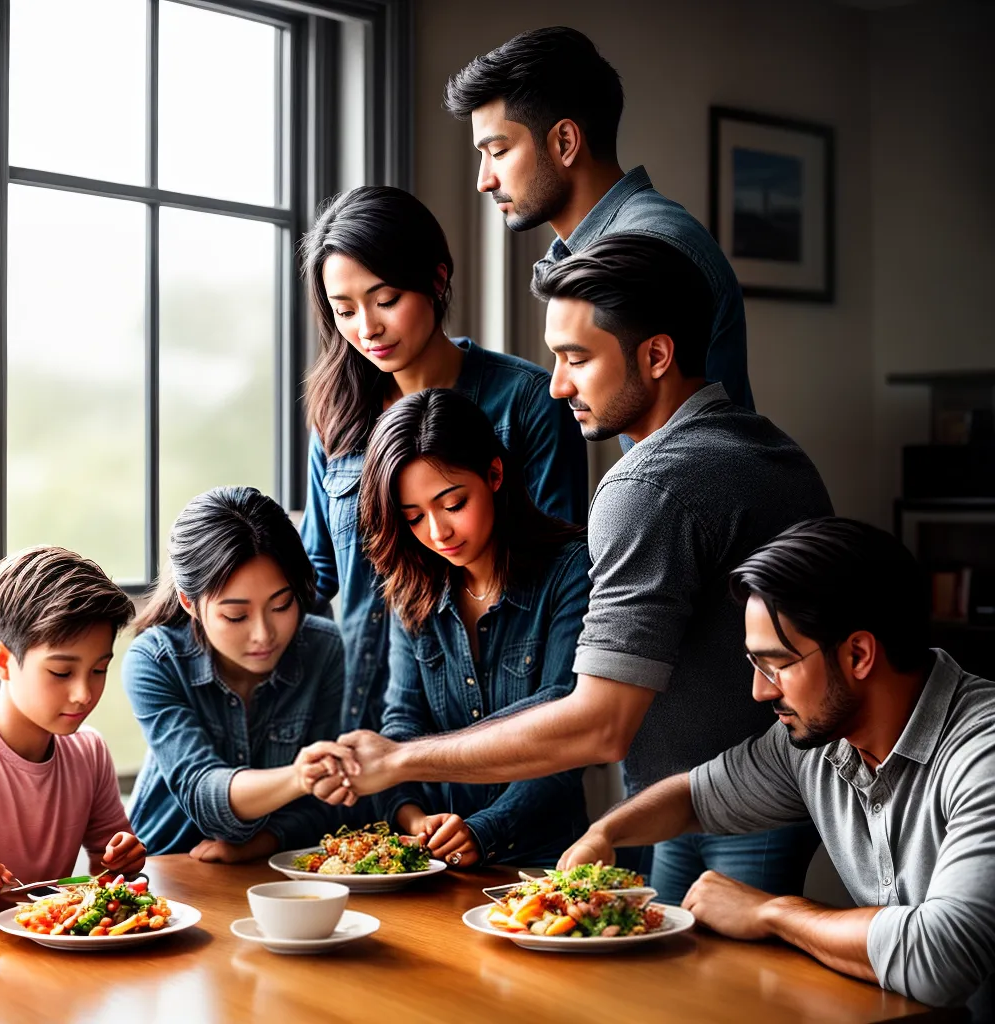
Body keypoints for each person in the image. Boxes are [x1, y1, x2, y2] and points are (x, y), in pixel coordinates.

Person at [313, 234, 832, 904]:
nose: (557, 386)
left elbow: (594, 719)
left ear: (656, 354)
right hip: (694, 797)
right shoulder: (767, 444)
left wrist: (399, 760)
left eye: (576, 358)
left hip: (745, 799)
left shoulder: (645, 486)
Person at [559, 518, 995, 1016]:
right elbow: (694, 798)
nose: (761, 690)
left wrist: (773, 911)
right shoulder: (810, 746)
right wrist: (606, 833)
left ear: (858, 654)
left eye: (777, 664)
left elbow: (942, 958)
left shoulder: (982, 751)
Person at [299, 185, 588, 736]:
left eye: (385, 300)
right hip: (362, 722)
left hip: (496, 716)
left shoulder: (527, 401)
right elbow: (318, 576)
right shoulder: (338, 419)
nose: (367, 328)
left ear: (436, 279)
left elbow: (560, 572)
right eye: (344, 310)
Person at [444, 25, 753, 412]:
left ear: (565, 142)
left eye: (499, 151)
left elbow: (686, 445)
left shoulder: (653, 246)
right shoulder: (591, 251)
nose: (484, 181)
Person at [360, 388, 590, 867]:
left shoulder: (571, 571)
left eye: (453, 503)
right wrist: (413, 818)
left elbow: (567, 730)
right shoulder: (411, 588)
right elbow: (402, 722)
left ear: (494, 474)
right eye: (414, 517)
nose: (437, 532)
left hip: (545, 863)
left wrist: (484, 830)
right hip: (435, 863)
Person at [124, 486, 344, 862]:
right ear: (189, 602)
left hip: (282, 870)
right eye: (236, 616)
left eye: (282, 605)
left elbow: (335, 803)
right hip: (166, 871)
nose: (263, 634)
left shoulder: (324, 649)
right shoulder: (155, 660)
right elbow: (203, 790)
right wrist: (299, 777)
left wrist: (266, 842)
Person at [0, 547, 145, 911]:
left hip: (54, 954)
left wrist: (122, 862)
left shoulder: (89, 751)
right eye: (61, 673)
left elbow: (106, 873)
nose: (84, 694)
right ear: (3, 661)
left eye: (99, 670)